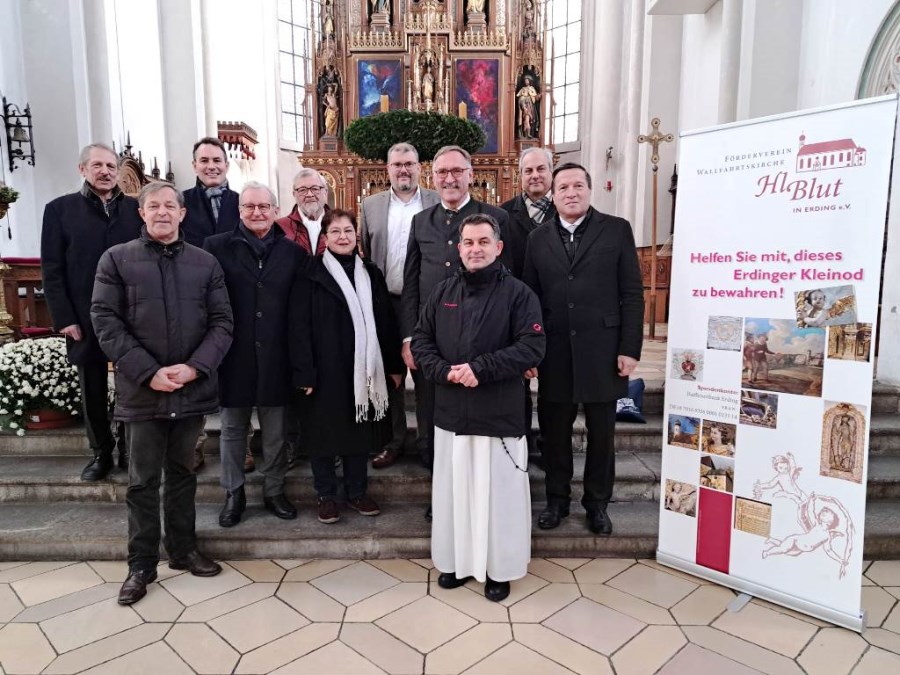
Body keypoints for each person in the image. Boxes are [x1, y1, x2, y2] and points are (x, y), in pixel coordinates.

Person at [91, 182, 233, 605]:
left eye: (170, 206)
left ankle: (184, 549)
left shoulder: (205, 263)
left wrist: (194, 367)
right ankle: (141, 563)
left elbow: (223, 323)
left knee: (184, 474)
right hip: (143, 391)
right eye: (154, 206)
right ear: (141, 212)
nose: (163, 213)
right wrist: (148, 372)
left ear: (182, 213)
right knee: (142, 481)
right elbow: (105, 320)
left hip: (189, 388)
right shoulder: (116, 259)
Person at [412, 213, 544, 602]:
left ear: (498, 247)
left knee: (497, 498)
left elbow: (532, 346)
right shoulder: (442, 291)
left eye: (483, 242)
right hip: (452, 413)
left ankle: (498, 568)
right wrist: (445, 373)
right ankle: (457, 562)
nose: (475, 249)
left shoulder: (519, 294)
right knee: (456, 495)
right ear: (459, 248)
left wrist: (480, 369)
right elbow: (422, 342)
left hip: (498, 414)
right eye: (468, 242)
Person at [522, 162, 643, 536]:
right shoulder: (537, 239)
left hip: (603, 352)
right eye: (563, 188)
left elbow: (631, 294)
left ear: (589, 191)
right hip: (554, 352)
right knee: (555, 434)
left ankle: (597, 505)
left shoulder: (616, 230)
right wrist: (531, 351)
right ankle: (557, 501)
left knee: (602, 435)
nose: (570, 193)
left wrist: (630, 348)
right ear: (553, 195)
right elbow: (530, 298)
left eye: (578, 186)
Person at [401, 145, 509, 519]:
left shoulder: (495, 217)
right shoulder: (421, 221)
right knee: (431, 418)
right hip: (432, 343)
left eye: (456, 171)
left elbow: (510, 283)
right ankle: (441, 496)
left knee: (479, 418)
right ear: (433, 177)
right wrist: (408, 338)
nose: (449, 178)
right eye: (441, 172)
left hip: (484, 340)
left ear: (470, 173)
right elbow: (411, 283)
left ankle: (481, 497)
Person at [203, 182, 309, 527]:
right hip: (234, 355)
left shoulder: (292, 253)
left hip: (278, 355)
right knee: (233, 429)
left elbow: (299, 311)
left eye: (264, 207)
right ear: (239, 210)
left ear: (276, 210)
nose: (257, 212)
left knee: (276, 431)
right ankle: (234, 493)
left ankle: (274, 489)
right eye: (249, 207)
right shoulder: (216, 248)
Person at [41, 143, 143, 481]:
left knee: (133, 384)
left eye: (111, 166)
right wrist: (64, 318)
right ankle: (101, 452)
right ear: (82, 169)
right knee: (92, 386)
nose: (105, 171)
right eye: (97, 165)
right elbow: (52, 269)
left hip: (132, 313)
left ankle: (129, 449)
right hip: (84, 314)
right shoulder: (60, 210)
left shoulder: (135, 209)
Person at [295, 209, 403, 524]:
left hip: (364, 368)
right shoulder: (310, 272)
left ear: (356, 235)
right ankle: (326, 495)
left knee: (359, 434)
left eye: (348, 231)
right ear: (324, 238)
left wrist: (393, 365)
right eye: (336, 232)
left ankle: (357, 491)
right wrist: (304, 371)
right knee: (323, 435)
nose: (343, 237)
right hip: (324, 369)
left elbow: (385, 322)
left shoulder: (371, 272)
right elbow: (298, 326)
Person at [360, 143, 440, 469]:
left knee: (426, 377)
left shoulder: (436, 201)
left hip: (428, 305)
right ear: (387, 169)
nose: (403, 170)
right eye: (397, 165)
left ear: (420, 167)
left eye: (409, 164)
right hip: (388, 303)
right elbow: (365, 250)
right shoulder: (371, 206)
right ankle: (392, 440)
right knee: (390, 376)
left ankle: (428, 442)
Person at [181, 137, 245, 471]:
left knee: (236, 373)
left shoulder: (242, 202)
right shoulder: (180, 202)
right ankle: (195, 443)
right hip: (193, 298)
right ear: (194, 165)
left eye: (217, 160)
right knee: (197, 369)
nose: (211, 166)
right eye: (204, 160)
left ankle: (242, 445)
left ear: (226, 164)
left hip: (236, 297)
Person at [276, 168, 328, 255]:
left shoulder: (339, 224)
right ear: (294, 195)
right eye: (302, 190)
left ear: (325, 192)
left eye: (315, 189)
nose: (309, 195)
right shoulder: (279, 227)